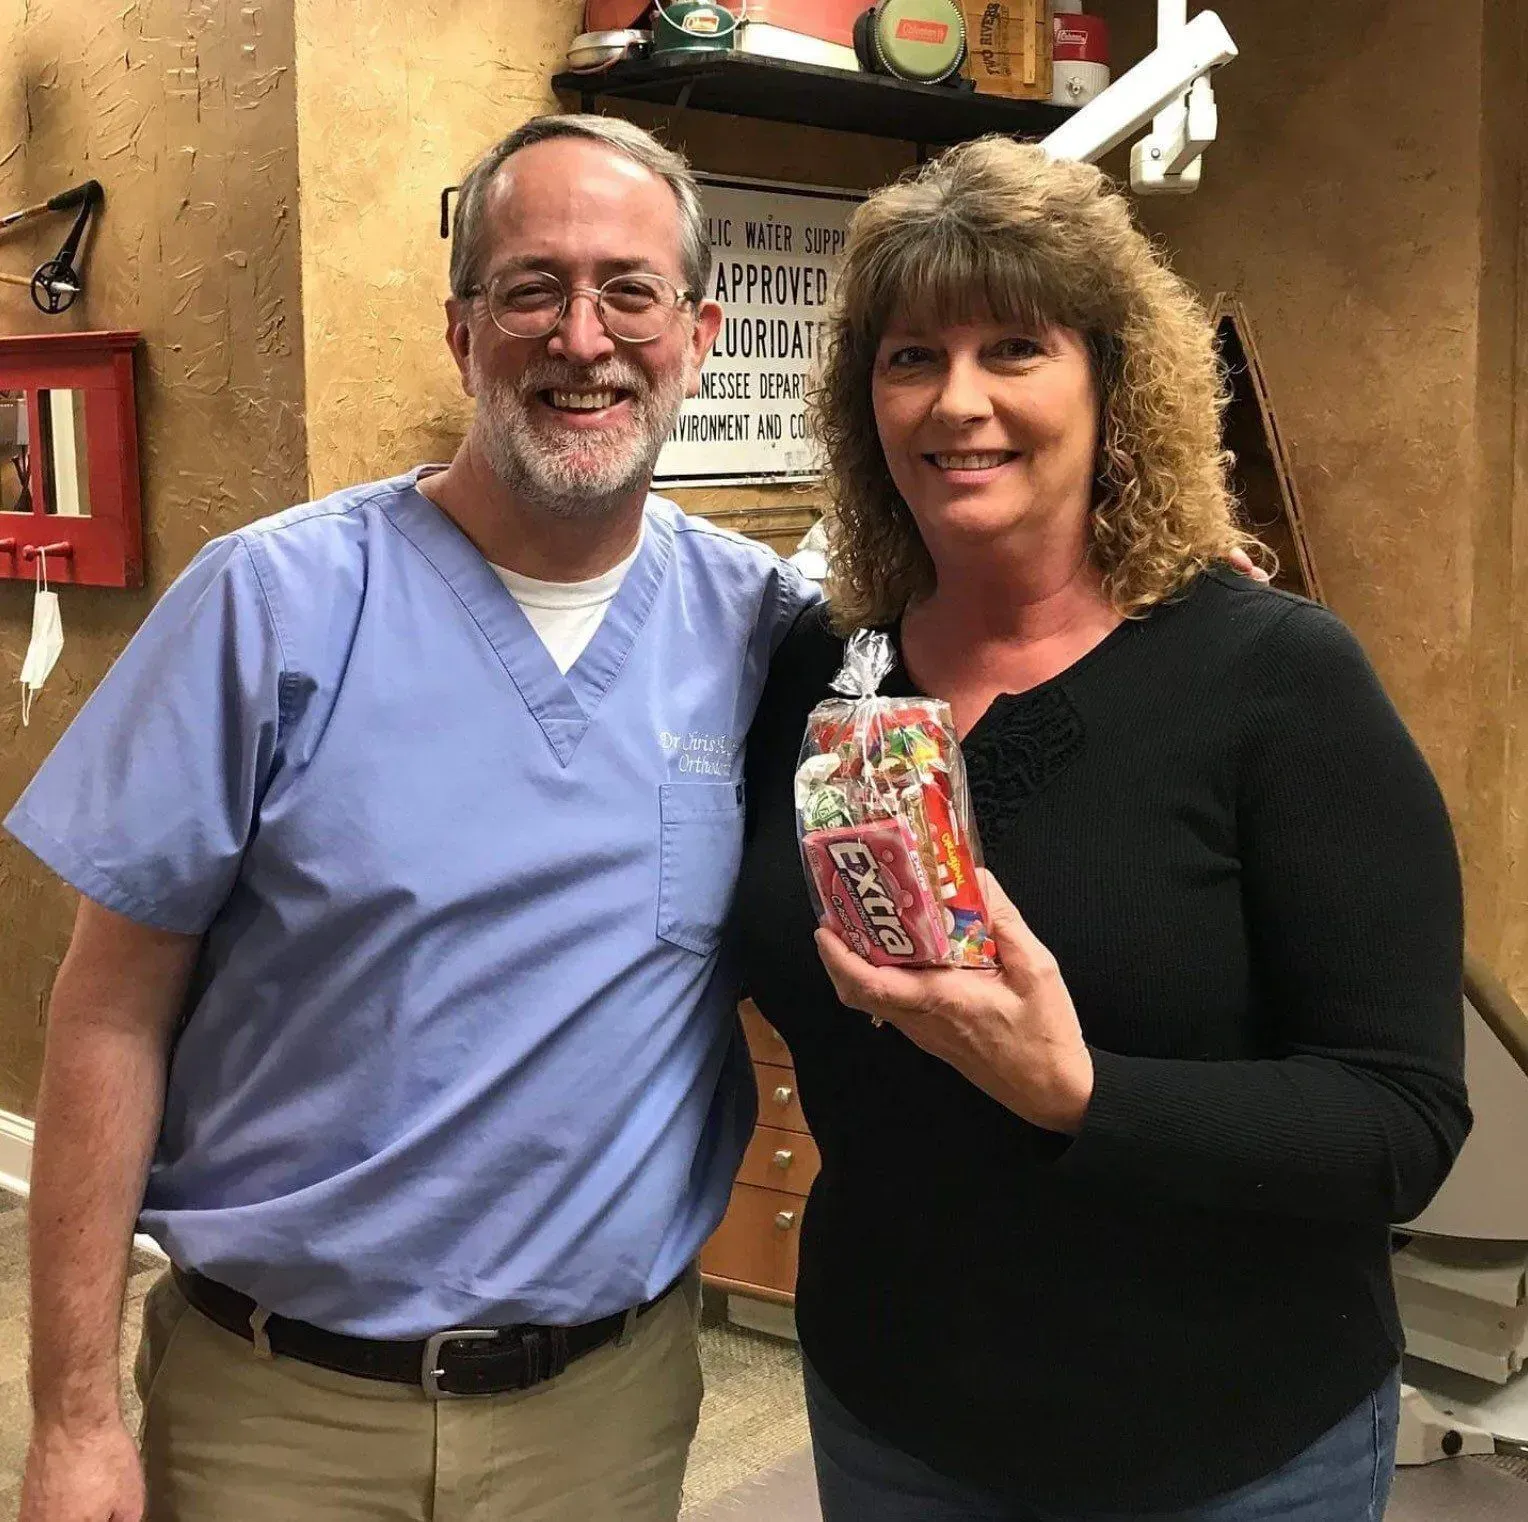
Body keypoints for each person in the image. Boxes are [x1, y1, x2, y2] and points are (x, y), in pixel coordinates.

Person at [11, 114, 816, 1522]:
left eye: (629, 289)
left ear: (698, 330)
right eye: (530, 288)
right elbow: (108, 1012)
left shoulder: (760, 630)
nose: (583, 336)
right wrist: (74, 1413)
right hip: (281, 1412)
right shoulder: (270, 607)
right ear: (461, 329)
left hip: (606, 1413)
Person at [734, 137, 1470, 1522]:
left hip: (1224, 1447)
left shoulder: (1276, 681)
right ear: (862, 400)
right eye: (910, 357)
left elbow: (1403, 1119)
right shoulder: (820, 677)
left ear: (1113, 380)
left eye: (1016, 346)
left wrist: (1083, 1094)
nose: (959, 403)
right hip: (898, 1420)